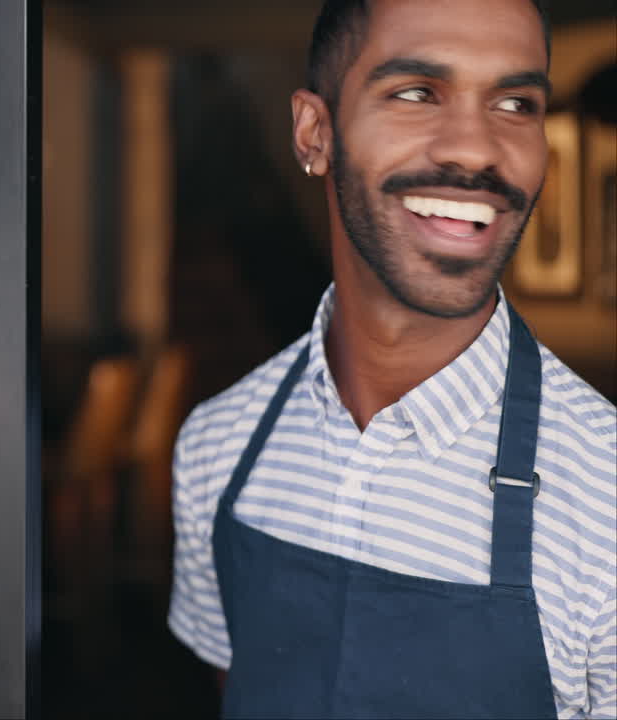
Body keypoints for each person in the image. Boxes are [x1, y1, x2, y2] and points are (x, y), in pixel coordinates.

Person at [168, 0, 616, 717]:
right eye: (415, 93)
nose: (475, 149)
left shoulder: (604, 499)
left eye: (515, 102)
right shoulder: (217, 447)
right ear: (315, 134)